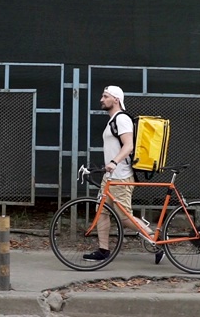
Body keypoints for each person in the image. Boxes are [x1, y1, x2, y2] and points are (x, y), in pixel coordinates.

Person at [82, 85, 165, 265]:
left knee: (124, 217)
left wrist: (114, 162)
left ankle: (157, 241)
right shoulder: (113, 120)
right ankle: (103, 250)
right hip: (110, 177)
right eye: (102, 96)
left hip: (121, 176)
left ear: (116, 99)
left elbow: (129, 146)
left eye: (105, 96)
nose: (101, 99)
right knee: (101, 212)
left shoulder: (122, 119)